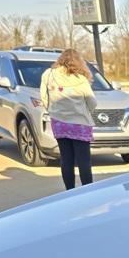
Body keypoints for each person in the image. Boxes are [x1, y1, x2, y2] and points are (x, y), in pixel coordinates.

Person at [40, 49, 98, 189]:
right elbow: (92, 102)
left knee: (66, 159)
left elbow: (44, 97)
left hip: (59, 123)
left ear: (60, 59)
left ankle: (69, 190)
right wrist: (85, 111)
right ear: (78, 62)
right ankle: (87, 190)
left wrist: (53, 111)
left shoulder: (48, 74)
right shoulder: (81, 79)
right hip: (80, 123)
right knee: (84, 160)